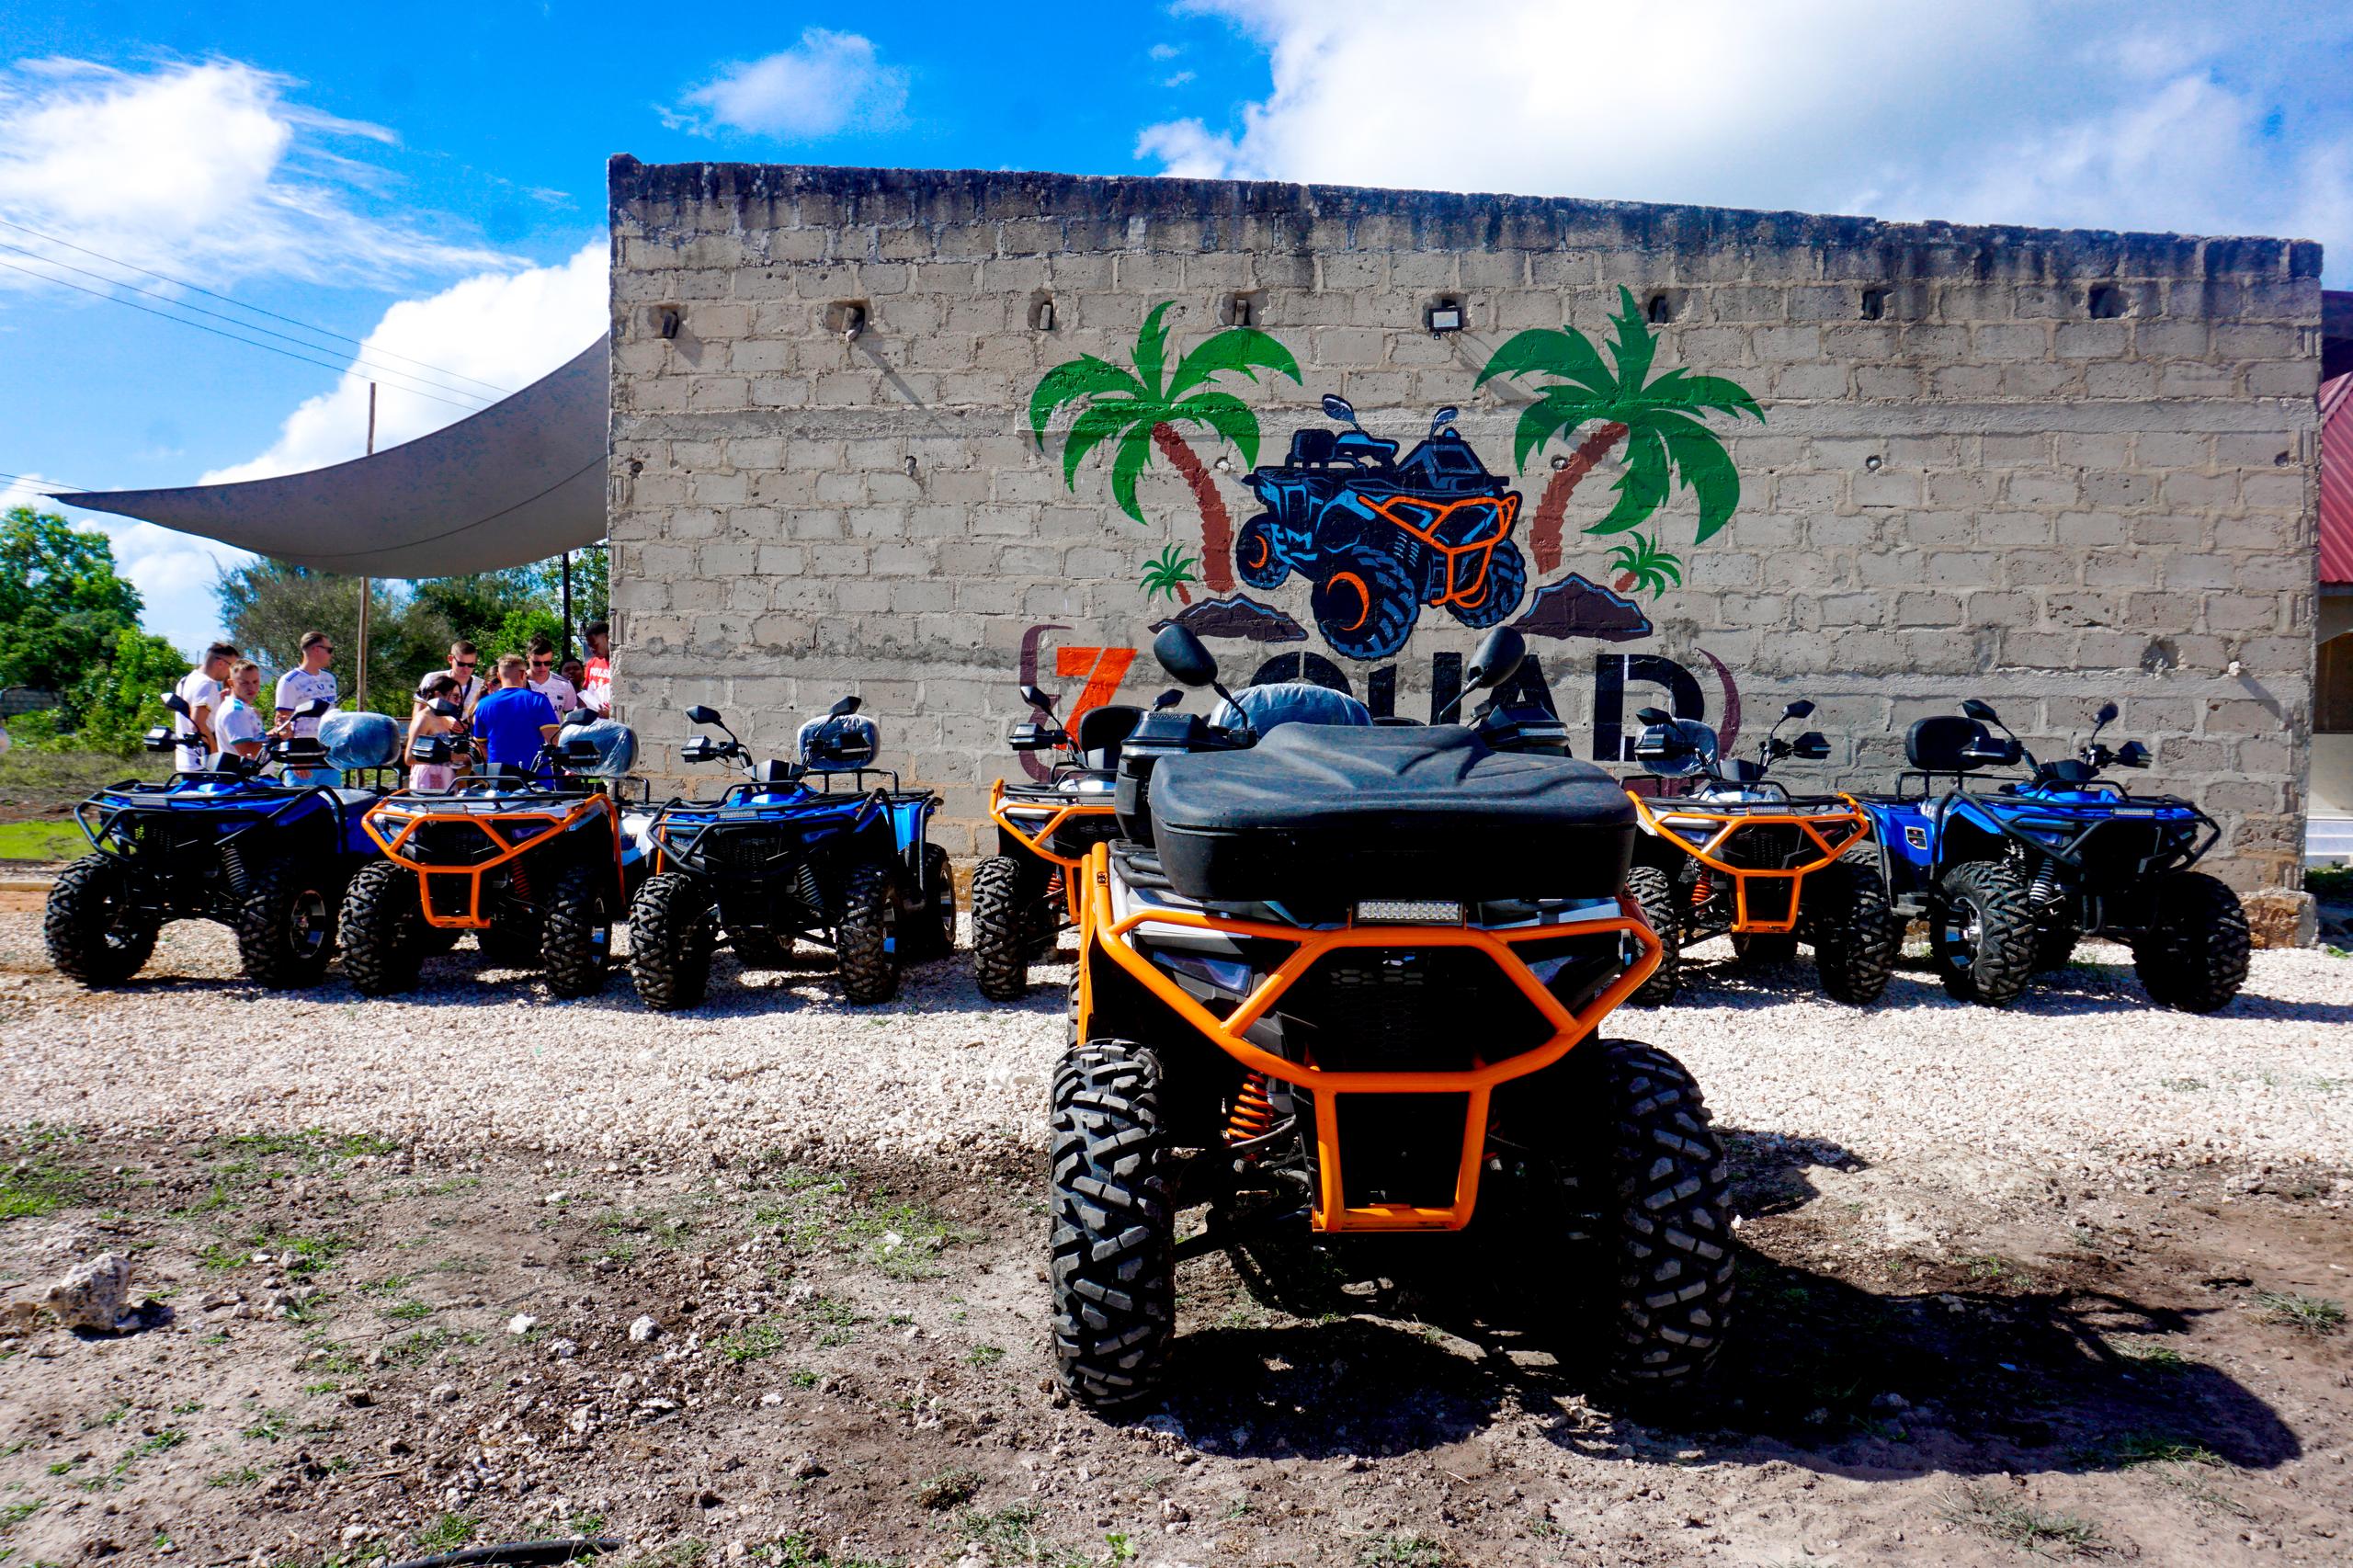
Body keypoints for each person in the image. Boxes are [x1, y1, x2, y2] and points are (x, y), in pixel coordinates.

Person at [471, 653, 560, 774]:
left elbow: (481, 745)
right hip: (535, 778)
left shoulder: (483, 705)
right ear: (523, 674)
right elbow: (553, 740)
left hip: (498, 778)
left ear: (498, 675)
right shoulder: (537, 700)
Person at [173, 642, 239, 772]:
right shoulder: (207, 684)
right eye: (232, 667)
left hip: (185, 762)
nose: (231, 673)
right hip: (202, 763)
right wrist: (216, 756)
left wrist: (217, 700)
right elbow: (197, 723)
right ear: (220, 663)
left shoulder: (186, 680)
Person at [407, 673, 467, 792]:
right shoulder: (423, 719)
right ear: (438, 695)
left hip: (445, 780)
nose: (458, 702)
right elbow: (410, 757)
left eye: (460, 698)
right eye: (455, 697)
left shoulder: (445, 719)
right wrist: (449, 756)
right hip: (426, 781)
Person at [274, 631, 338, 738]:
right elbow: (282, 722)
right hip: (303, 747)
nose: (331, 655)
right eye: (329, 650)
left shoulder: (330, 678)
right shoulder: (289, 681)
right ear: (316, 649)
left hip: (329, 744)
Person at [213, 661, 267, 764]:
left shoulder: (244, 709)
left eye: (255, 681)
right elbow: (248, 752)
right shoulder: (235, 712)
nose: (251, 687)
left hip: (251, 776)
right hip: (244, 778)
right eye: (244, 683)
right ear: (231, 683)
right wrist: (276, 738)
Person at [525, 634, 578, 716]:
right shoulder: (517, 683)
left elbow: (572, 718)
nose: (543, 668)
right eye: (537, 663)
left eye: (547, 663)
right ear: (528, 658)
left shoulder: (564, 685)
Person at [439, 640, 486, 717]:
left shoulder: (482, 686)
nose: (466, 669)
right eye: (461, 664)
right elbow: (419, 713)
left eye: (471, 665)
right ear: (450, 659)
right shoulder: (433, 679)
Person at [580, 620, 612, 718]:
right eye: (590, 646)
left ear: (607, 638)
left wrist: (611, 714)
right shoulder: (592, 664)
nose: (592, 650)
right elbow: (586, 695)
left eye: (595, 644)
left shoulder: (620, 666)